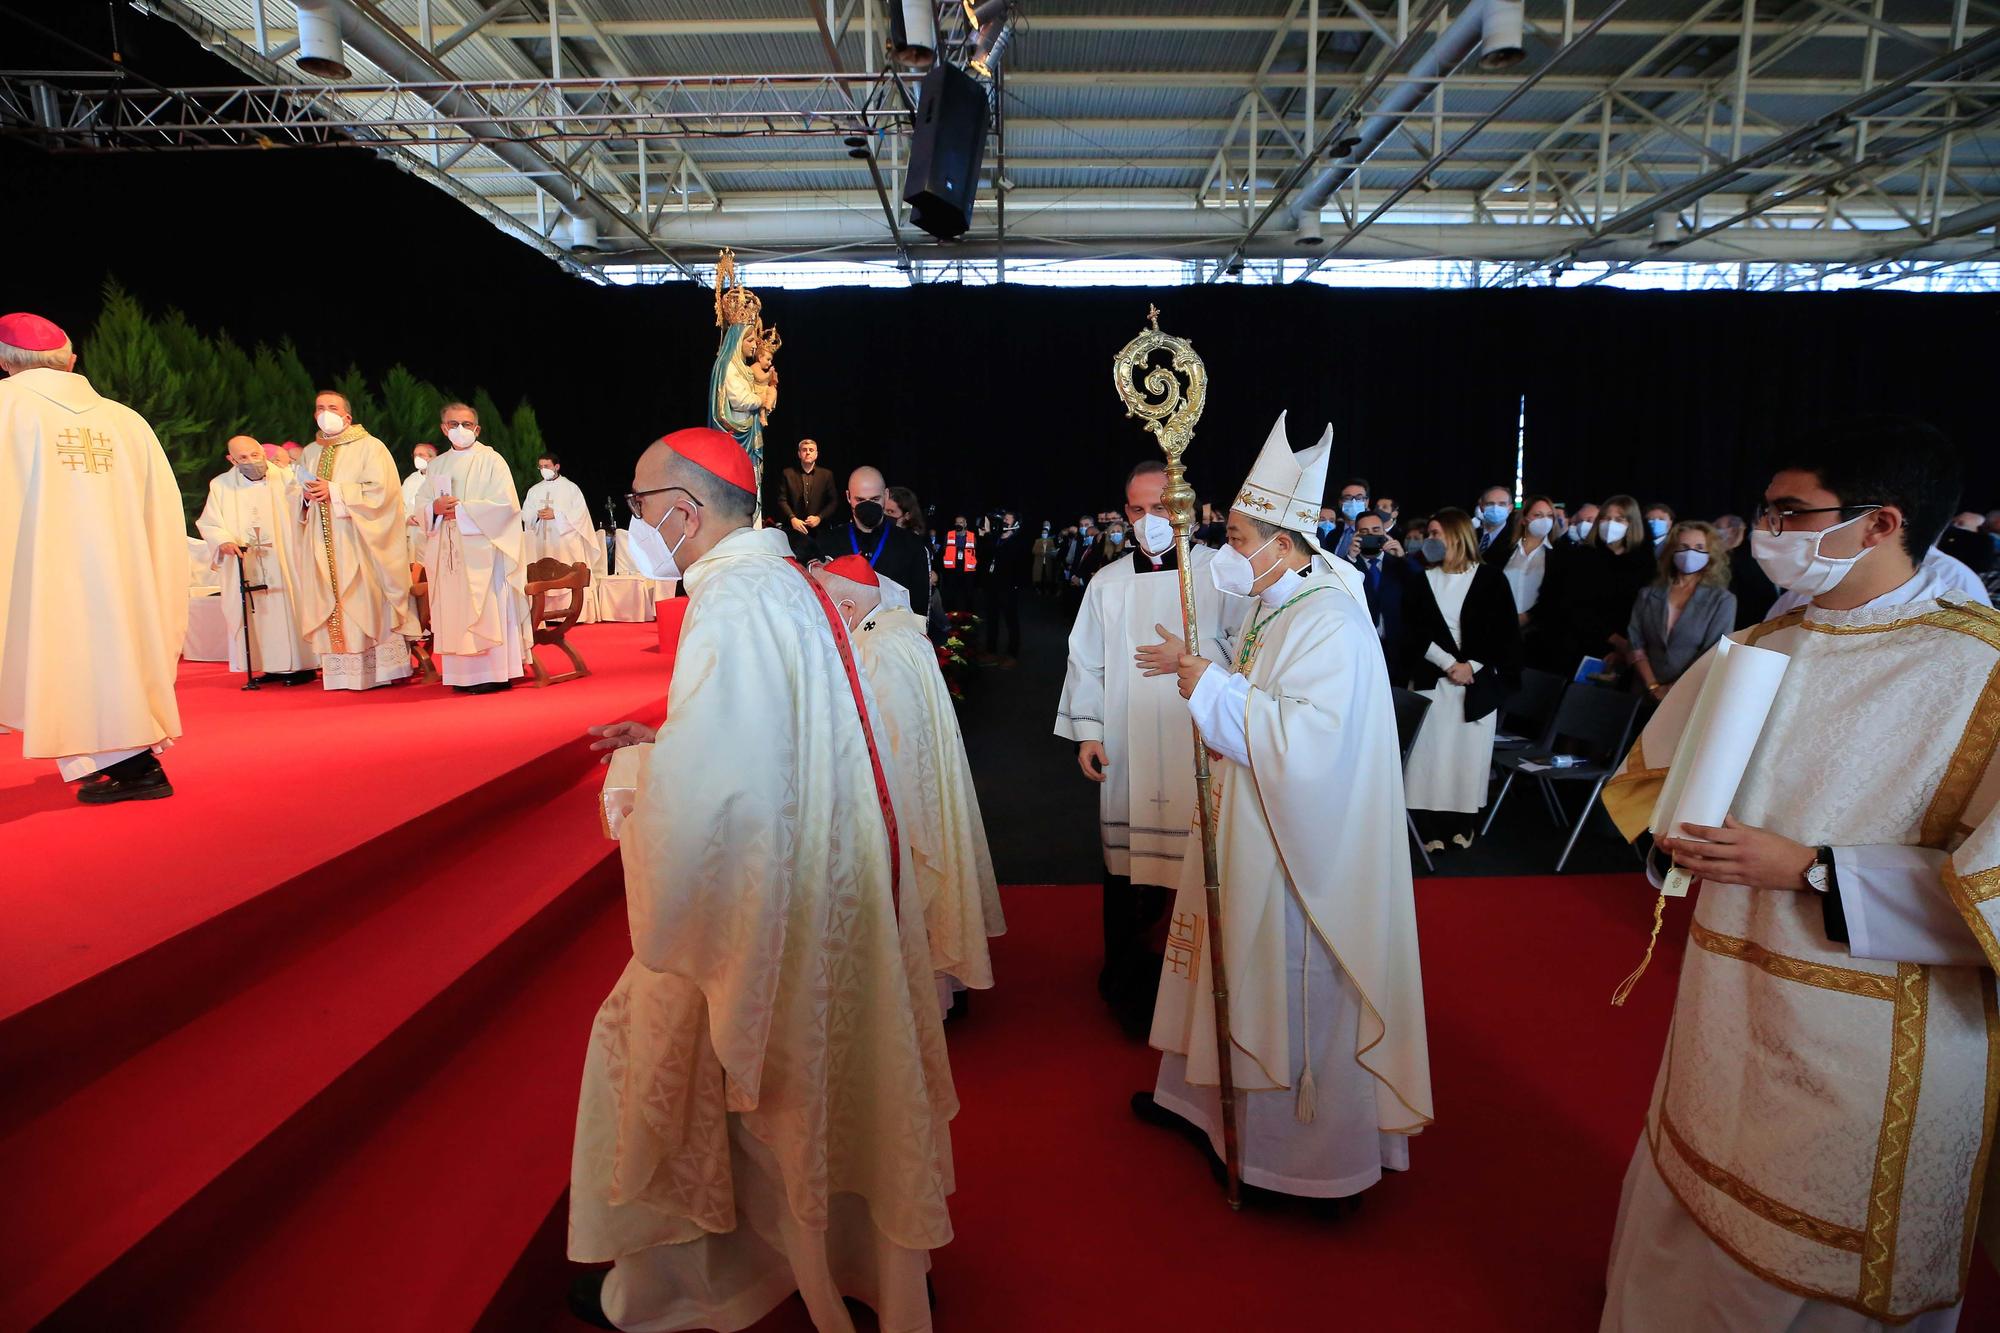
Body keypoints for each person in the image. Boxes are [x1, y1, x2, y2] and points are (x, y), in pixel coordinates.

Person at [1597, 416, 2000, 1332]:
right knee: (1697, 1201)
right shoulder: (1769, 642)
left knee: (1822, 1250)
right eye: (1767, 509)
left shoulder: (1980, 666)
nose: (1766, 529)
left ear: (1880, 523)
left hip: (1875, 1021)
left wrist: (1814, 868)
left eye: (1790, 511)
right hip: (1727, 988)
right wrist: (1675, 836)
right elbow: (1660, 780)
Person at [568, 428, 955, 1333]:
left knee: (647, 1046)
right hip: (826, 876)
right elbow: (773, 736)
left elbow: (721, 795)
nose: (634, 521)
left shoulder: (735, 599)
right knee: (808, 1094)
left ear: (683, 512)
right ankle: (829, 1262)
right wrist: (666, 743)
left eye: (637, 503)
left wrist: (641, 782)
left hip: (770, 897)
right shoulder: (781, 580)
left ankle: (680, 1285)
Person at [1132, 414, 1432, 1204]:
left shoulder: (1331, 617)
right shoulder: (1278, 603)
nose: (1225, 548)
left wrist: (1212, 682)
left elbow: (1311, 743)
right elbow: (1264, 691)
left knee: (1286, 980)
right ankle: (1204, 1108)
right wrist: (1210, 666)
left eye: (1234, 535)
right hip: (1252, 820)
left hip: (1301, 850)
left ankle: (1293, 1162)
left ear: (1282, 539)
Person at [1056, 459, 1240, 1038]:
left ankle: (1207, 990)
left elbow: (1250, 650)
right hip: (1131, 747)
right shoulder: (1108, 582)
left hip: (1200, 743)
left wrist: (1195, 654)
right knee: (1129, 873)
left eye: (1159, 507)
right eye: (1136, 510)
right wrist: (1088, 730)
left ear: (1187, 506)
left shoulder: (1223, 575)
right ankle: (1131, 985)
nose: (1147, 520)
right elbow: (1086, 659)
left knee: (1200, 865)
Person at [0, 310, 186, 804]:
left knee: (62, 657)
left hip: (40, 574)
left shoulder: (6, 410)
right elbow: (161, 510)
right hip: (119, 574)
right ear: (71, 360)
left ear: (4, 362)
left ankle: (136, 767)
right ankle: (118, 759)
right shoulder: (125, 419)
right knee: (107, 654)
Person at [815, 555, 1006, 1017]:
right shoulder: (890, 631)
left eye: (820, 605)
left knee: (914, 898)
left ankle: (921, 1003)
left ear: (843, 606)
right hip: (913, 793)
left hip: (903, 805)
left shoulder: (880, 651)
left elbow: (896, 751)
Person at [1399, 508, 1521, 852]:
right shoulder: (1421, 579)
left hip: (1476, 685)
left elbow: (1504, 634)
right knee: (1430, 758)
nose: (1430, 540)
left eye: (1436, 533)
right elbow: (1411, 632)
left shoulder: (1491, 579)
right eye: (1429, 534)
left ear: (1457, 535)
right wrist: (1449, 662)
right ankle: (1427, 827)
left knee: (1466, 758)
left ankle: (1462, 824)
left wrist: (1473, 665)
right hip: (1433, 681)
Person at [294, 390, 420, 691]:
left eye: (333, 407)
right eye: (320, 408)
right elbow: (297, 494)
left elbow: (383, 493)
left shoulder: (370, 447)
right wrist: (305, 497)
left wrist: (336, 491)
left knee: (364, 597)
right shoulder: (311, 451)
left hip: (361, 540)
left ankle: (382, 670)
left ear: (347, 416)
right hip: (323, 542)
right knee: (331, 596)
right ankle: (342, 673)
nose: (326, 412)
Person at [415, 402, 529, 695]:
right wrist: (434, 509)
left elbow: (506, 505)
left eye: (466, 424)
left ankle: (494, 673)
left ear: (476, 429)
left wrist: (462, 512)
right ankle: (460, 676)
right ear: (444, 428)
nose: (460, 430)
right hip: (448, 553)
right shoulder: (437, 466)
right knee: (454, 611)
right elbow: (420, 507)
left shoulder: (491, 461)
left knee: (486, 608)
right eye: (453, 424)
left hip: (483, 553)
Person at [196, 434, 319, 685]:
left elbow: (306, 508)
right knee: (256, 613)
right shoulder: (220, 486)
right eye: (243, 457)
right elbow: (210, 521)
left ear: (263, 453)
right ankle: (268, 666)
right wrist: (223, 541)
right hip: (246, 560)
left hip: (286, 560)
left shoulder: (287, 478)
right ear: (231, 460)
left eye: (255, 454)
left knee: (291, 607)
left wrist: (306, 500)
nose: (251, 460)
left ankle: (302, 666)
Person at [1625, 520, 1735, 707]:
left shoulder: (1722, 601)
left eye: (1699, 547)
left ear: (1711, 553)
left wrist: (1670, 689)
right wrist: (1653, 686)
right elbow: (1635, 641)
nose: (1690, 553)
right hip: (1642, 692)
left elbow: (1714, 651)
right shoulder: (1648, 594)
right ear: (1672, 552)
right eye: (1683, 546)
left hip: (1688, 696)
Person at [1548, 493, 1652, 678]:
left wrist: (1625, 648)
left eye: (1619, 519)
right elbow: (1571, 605)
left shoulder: (1646, 564)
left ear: (1632, 523)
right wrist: (1615, 640)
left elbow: (1645, 613)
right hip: (1580, 644)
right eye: (1605, 518)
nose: (1610, 524)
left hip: (1629, 652)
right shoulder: (1581, 558)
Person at [814, 466, 930, 616]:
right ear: (849, 497)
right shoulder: (827, 543)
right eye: (860, 500)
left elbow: (919, 610)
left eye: (875, 499)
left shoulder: (911, 546)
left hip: (894, 634)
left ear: (886, 495)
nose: (868, 506)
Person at [522, 452, 604, 587]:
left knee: (566, 578)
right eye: (540, 467)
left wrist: (557, 515)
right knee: (543, 578)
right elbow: (526, 515)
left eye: (547, 466)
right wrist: (535, 514)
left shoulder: (571, 488)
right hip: (542, 544)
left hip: (564, 545)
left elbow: (580, 515)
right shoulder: (534, 491)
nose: (543, 470)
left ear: (557, 466)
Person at [1348, 509, 1409, 666]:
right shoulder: (1348, 565)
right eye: (1364, 532)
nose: (1371, 536)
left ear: (1385, 532)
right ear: (1356, 535)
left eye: (1376, 531)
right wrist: (1350, 559)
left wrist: (1402, 558)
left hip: (1397, 649)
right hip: (1360, 649)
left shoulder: (1399, 562)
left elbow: (1419, 589)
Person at [774, 437, 838, 561]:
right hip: (794, 532)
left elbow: (833, 501)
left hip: (819, 532)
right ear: (799, 454)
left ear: (816, 454)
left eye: (811, 450)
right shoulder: (787, 473)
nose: (808, 452)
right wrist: (792, 518)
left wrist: (820, 517)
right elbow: (782, 500)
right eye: (804, 450)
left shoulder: (826, 475)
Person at [1711, 512, 1778, 628]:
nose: (1712, 530)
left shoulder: (1745, 554)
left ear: (1731, 530)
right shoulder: (1744, 552)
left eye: (1717, 527)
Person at [982, 508, 1030, 664]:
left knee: (1011, 621)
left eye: (1007, 519)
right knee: (992, 620)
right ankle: (991, 651)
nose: (1003, 521)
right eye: (1003, 519)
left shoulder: (1017, 543)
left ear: (1015, 524)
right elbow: (985, 556)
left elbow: (1014, 564)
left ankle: (1012, 654)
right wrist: (987, 534)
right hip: (991, 587)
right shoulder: (995, 539)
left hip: (1008, 588)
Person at [401, 442, 436, 567]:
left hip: (433, 533)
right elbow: (401, 505)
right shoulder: (411, 479)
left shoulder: (440, 476)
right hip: (413, 532)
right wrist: (407, 517)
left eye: (421, 455)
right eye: (415, 455)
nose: (417, 458)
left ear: (433, 457)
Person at [939, 515, 976, 613]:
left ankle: (969, 616)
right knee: (951, 594)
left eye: (961, 522)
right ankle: (951, 615)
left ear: (965, 524)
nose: (959, 524)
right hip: (952, 570)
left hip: (967, 570)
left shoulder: (972, 536)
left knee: (968, 595)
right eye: (957, 522)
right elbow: (944, 550)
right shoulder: (949, 535)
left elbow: (976, 551)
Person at [1474, 484, 1514, 553]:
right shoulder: (1472, 534)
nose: (1495, 508)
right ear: (1481, 508)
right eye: (1490, 504)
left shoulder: (1514, 539)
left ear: (1510, 508)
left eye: (1502, 504)